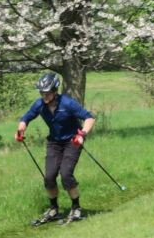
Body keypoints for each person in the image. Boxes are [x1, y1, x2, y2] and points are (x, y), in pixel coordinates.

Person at [16, 72, 96, 226]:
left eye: (47, 93)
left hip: (73, 141)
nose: (44, 96)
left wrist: (82, 134)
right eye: (42, 93)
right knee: (49, 177)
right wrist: (20, 130)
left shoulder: (67, 103)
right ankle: (53, 209)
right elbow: (25, 118)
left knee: (66, 174)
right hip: (54, 143)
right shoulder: (39, 105)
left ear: (54, 91)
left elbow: (89, 117)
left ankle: (76, 208)